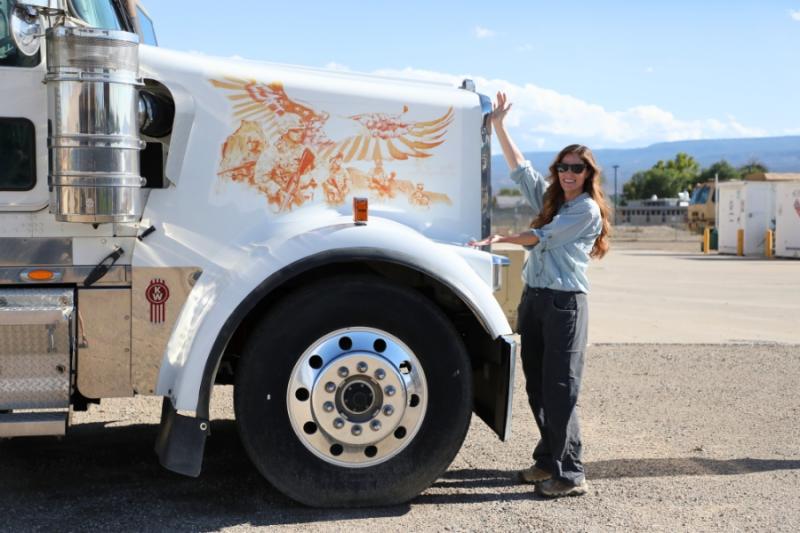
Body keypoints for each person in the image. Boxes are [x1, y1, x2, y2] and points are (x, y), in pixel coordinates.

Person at [471, 91, 610, 498]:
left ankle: (571, 474)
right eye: (564, 167)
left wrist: (502, 237)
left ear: (588, 174)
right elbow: (521, 171)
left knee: (561, 388)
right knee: (537, 386)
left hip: (565, 305)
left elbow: (541, 238)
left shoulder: (585, 210)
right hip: (535, 300)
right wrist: (499, 126)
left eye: (577, 168)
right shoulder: (552, 200)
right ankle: (549, 459)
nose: (569, 173)